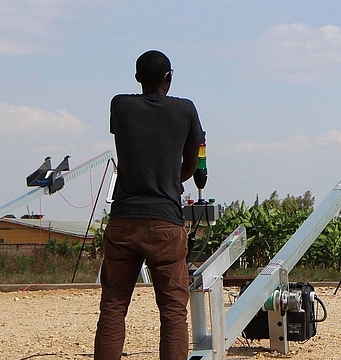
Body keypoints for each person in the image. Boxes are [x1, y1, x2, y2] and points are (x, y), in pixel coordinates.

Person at [94, 50, 204, 360]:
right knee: (172, 311)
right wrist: (172, 179)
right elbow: (192, 166)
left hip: (123, 221)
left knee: (113, 306)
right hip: (165, 223)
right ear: (169, 77)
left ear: (137, 78)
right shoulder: (186, 110)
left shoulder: (121, 105)